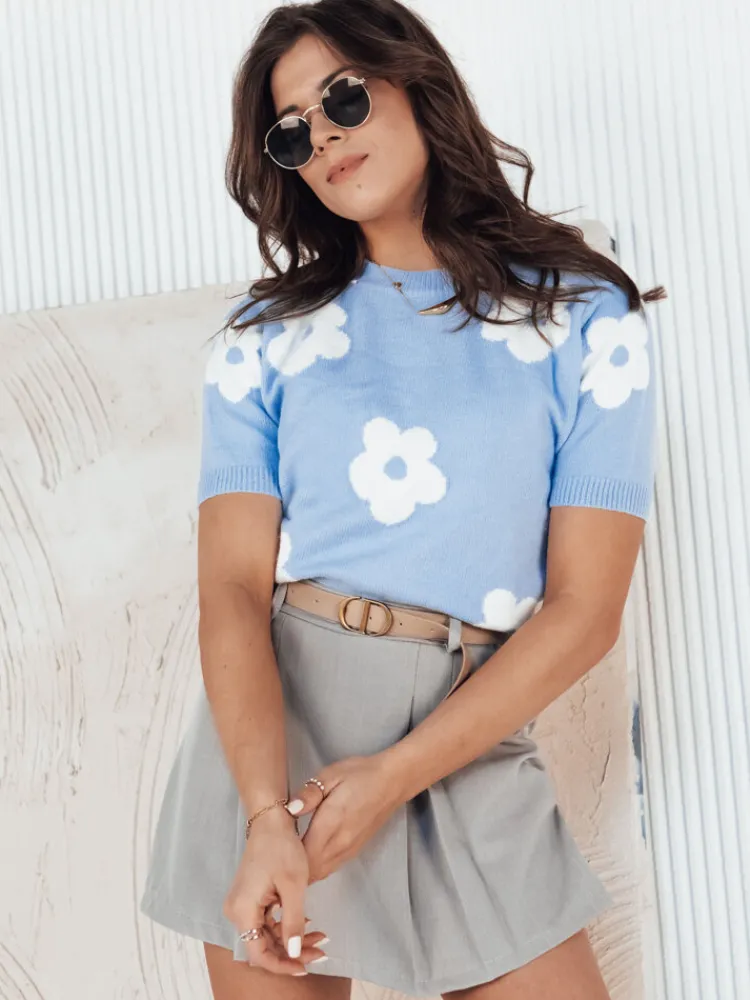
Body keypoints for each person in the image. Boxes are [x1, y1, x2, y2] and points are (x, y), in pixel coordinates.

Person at [139, 0, 666, 996]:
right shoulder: (262, 338)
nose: (325, 136)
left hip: (467, 736)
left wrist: (394, 775)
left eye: (344, 98)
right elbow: (232, 591)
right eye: (293, 131)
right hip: (277, 754)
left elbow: (586, 610)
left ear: (416, 84)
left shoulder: (588, 317)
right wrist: (263, 813)